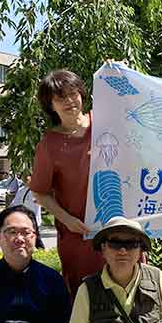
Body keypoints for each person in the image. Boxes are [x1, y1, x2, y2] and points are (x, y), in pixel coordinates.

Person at [30, 69, 105, 296]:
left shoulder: (104, 121)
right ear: (50, 105)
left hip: (117, 225)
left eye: (73, 93)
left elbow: (134, 103)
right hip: (79, 234)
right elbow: (40, 193)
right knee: (85, 294)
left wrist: (117, 73)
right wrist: (68, 220)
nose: (70, 101)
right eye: (61, 98)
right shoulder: (49, 145)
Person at [9, 172, 45, 249]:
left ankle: (41, 250)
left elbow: (42, 201)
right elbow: (15, 203)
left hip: (33, 217)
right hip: (23, 218)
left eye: (27, 178)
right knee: (26, 235)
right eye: (24, 178)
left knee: (36, 236)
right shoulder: (21, 190)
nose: (26, 180)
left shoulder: (36, 190)